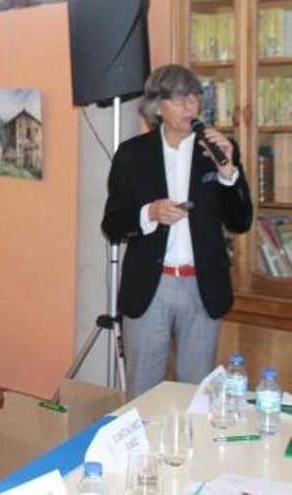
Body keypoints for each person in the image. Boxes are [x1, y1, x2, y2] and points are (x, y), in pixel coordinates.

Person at [101, 64, 253, 400]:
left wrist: (229, 172)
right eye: (180, 98)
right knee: (143, 392)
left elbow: (241, 220)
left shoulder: (216, 151)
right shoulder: (132, 155)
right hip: (150, 288)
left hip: (203, 286)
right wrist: (149, 213)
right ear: (157, 107)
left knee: (196, 394)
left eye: (195, 97)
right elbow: (112, 223)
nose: (190, 106)